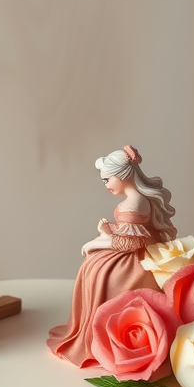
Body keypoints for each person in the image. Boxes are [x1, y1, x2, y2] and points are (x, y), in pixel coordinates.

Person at [47, 145, 177, 367]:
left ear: (122, 175)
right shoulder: (136, 199)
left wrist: (95, 242)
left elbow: (129, 243)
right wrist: (107, 233)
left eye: (107, 179)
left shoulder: (134, 203)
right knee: (92, 265)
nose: (106, 185)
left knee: (97, 270)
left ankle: (99, 335)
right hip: (134, 248)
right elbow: (130, 233)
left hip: (135, 260)